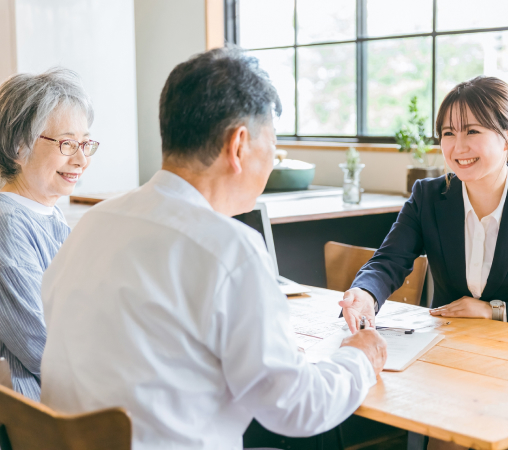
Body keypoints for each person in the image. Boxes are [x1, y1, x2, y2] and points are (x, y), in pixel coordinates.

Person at [40, 46, 387, 449]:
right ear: (239, 144)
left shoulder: (94, 222)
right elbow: (297, 407)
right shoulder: (228, 248)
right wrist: (360, 357)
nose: (273, 158)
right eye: (271, 143)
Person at [339, 76, 508, 450]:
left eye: (472, 131)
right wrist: (364, 293)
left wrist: (494, 311)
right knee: (452, 441)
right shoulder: (428, 197)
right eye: (447, 133)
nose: (457, 147)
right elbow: (389, 261)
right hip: (450, 363)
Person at [0, 68, 97, 400]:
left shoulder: (50, 215)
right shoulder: (8, 224)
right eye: (68, 143)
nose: (82, 159)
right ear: (18, 146)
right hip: (40, 415)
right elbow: (39, 344)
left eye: (85, 143)